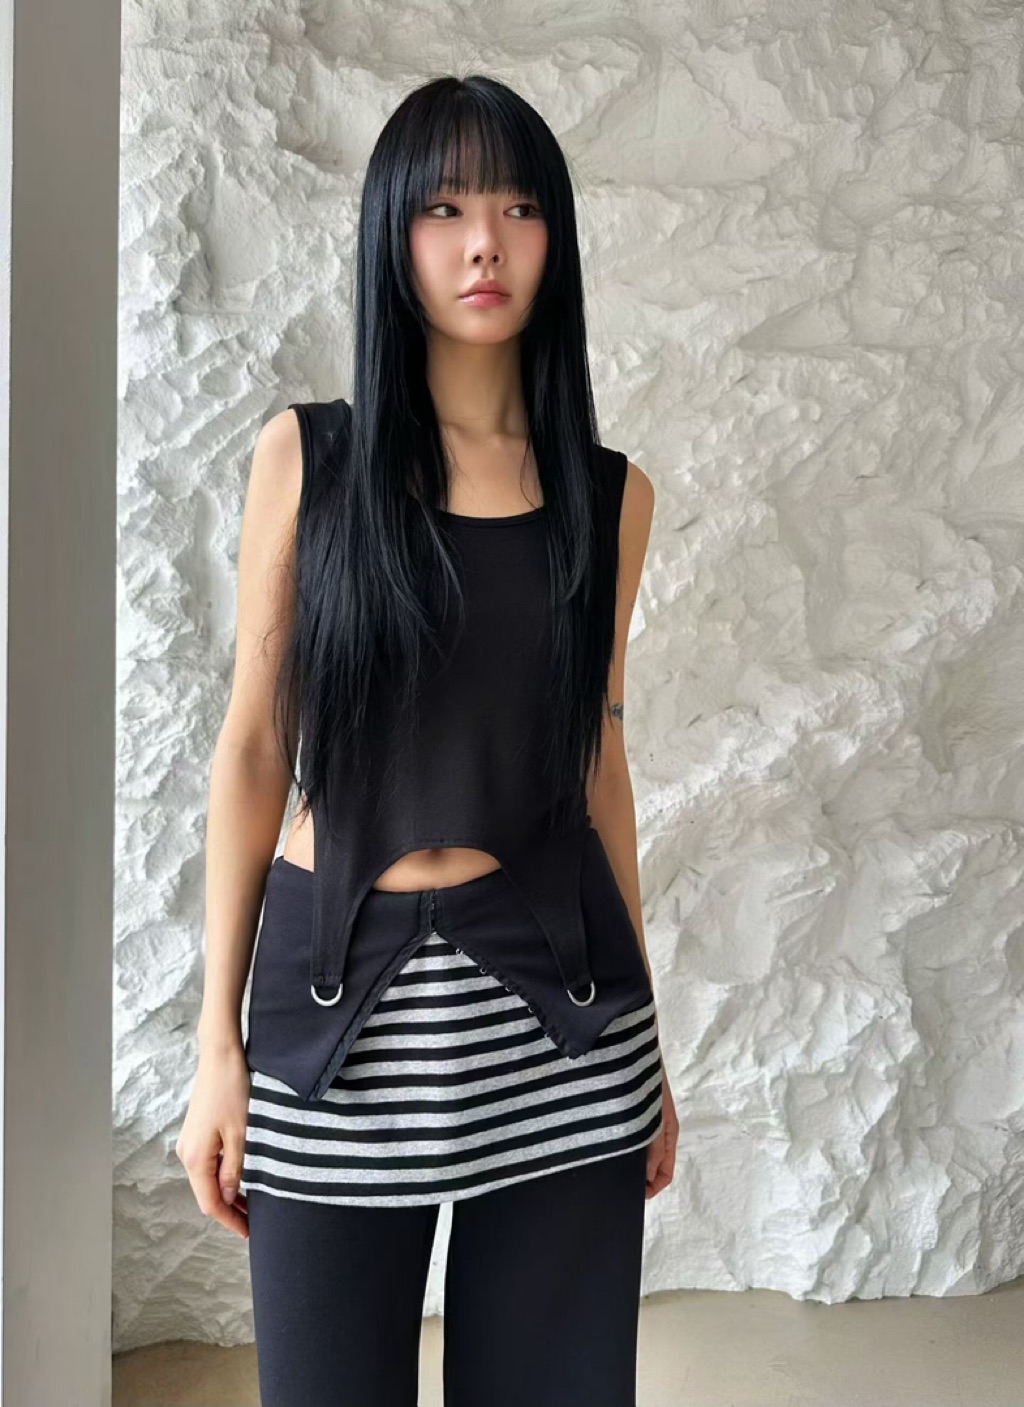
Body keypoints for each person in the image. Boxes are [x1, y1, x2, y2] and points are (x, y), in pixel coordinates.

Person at [176, 71, 679, 1407]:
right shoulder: (309, 461)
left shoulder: (610, 498)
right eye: (445, 208)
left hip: (565, 1033)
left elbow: (599, 764)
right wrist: (217, 1048)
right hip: (334, 1025)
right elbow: (252, 752)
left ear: (555, 238)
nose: (484, 244)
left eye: (519, 208)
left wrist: (653, 1056)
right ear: (391, 234)